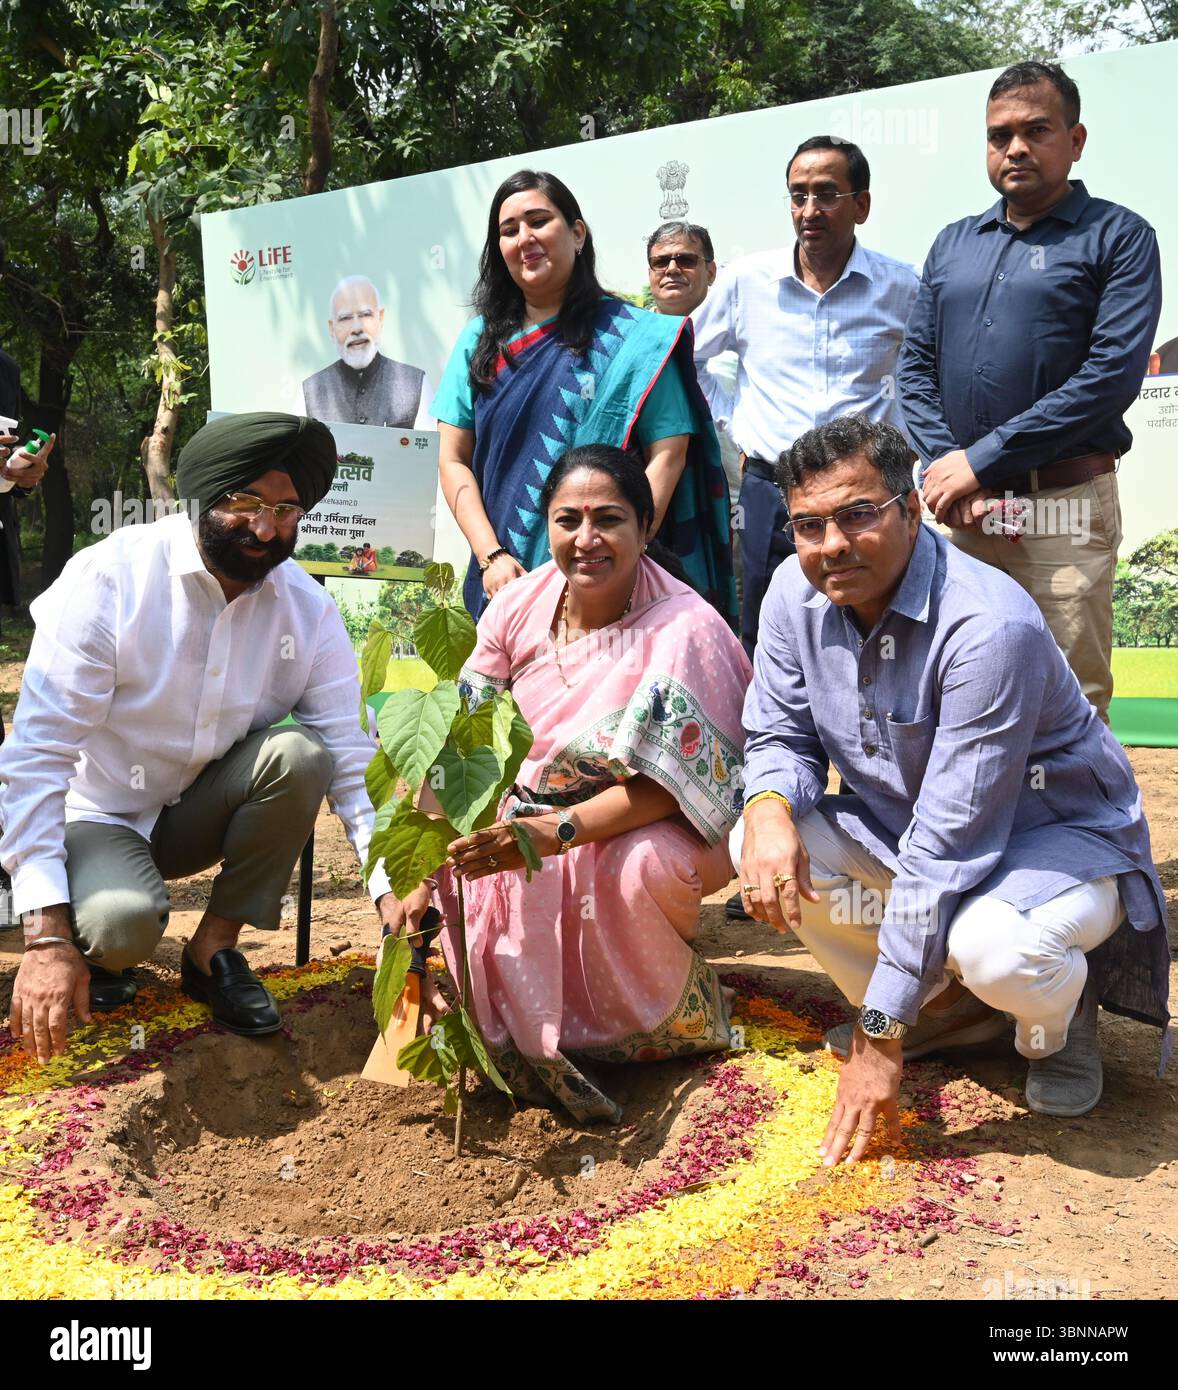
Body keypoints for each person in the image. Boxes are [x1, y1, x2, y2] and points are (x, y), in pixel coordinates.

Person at [735, 416, 1166, 1158]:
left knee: (995, 947)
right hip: (914, 831)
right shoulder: (791, 596)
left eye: (856, 515)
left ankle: (1059, 1016)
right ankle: (946, 1010)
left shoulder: (987, 626)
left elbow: (947, 844)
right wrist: (770, 806)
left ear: (911, 509)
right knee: (762, 837)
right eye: (809, 525)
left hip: (1054, 841)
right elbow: (778, 736)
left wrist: (877, 1035)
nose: (832, 544)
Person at [1, 412, 401, 1062]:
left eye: (286, 510)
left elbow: (355, 766)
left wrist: (392, 889)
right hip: (97, 813)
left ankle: (212, 949)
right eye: (245, 503)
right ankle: (97, 941)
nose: (266, 528)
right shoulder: (113, 580)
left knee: (303, 757)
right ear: (204, 495)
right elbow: (37, 756)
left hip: (193, 812)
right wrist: (46, 937)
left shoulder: (306, 609)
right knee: (123, 924)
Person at [380, 444, 751, 1123]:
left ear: (646, 527)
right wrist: (418, 871)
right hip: (525, 817)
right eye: (567, 519)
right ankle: (513, 1033)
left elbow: (674, 788)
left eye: (608, 519)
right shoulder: (516, 608)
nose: (586, 540)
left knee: (628, 868)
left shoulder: (686, 628)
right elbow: (463, 746)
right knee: (470, 868)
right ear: (545, 526)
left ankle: (641, 1027)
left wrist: (556, 833)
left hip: (648, 820)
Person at [899, 61, 1163, 722]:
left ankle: (1082, 830)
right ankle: (976, 828)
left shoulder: (1120, 237)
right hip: (964, 516)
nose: (1014, 147)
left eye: (1035, 130)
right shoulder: (954, 243)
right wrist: (946, 471)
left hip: (1062, 509)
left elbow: (1109, 378)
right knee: (963, 692)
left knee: (1067, 705)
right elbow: (913, 370)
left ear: (1075, 141)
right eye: (999, 135)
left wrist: (980, 460)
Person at [432, 169, 735, 623]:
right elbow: (452, 458)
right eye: (509, 230)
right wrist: (490, 556)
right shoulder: (478, 342)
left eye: (538, 221)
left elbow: (668, 453)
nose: (524, 238)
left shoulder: (638, 339)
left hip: (610, 581)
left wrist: (621, 551)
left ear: (577, 234)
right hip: (504, 579)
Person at [690, 135, 918, 660]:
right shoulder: (748, 283)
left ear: (861, 204)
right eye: (798, 195)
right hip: (773, 492)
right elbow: (687, 359)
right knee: (768, 636)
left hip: (869, 496)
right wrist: (732, 423)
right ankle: (774, 743)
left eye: (827, 194)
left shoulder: (902, 286)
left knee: (880, 629)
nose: (809, 210)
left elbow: (927, 379)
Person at [645, 220, 743, 557]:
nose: (672, 269)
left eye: (686, 260)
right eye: (661, 261)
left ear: (711, 271)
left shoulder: (739, 343)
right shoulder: (634, 344)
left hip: (736, 511)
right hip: (657, 513)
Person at [301, 275, 435, 429]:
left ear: (381, 318)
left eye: (365, 315)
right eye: (345, 318)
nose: (357, 328)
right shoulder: (309, 392)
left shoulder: (415, 383)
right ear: (332, 327)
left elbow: (431, 450)